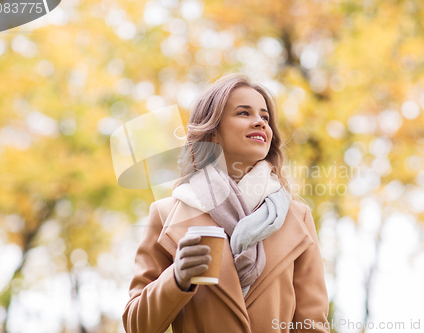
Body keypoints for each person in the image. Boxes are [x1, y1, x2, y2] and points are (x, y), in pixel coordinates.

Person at [122, 72, 330, 333]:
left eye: (265, 117)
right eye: (244, 113)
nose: (260, 123)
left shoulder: (296, 217)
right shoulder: (166, 214)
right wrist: (177, 278)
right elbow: (136, 326)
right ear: (213, 133)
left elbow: (312, 326)